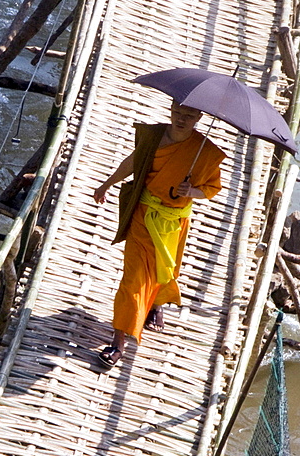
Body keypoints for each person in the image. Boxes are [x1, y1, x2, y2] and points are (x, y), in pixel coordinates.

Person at [92, 99, 226, 368]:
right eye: (177, 113)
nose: (181, 119)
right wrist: (107, 184)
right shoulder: (153, 136)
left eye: (188, 116)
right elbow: (132, 163)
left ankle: (155, 305)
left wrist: (193, 192)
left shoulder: (205, 152)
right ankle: (119, 342)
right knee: (133, 279)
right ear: (171, 110)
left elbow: (212, 188)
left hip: (175, 221)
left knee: (163, 269)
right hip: (144, 213)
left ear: (200, 116)